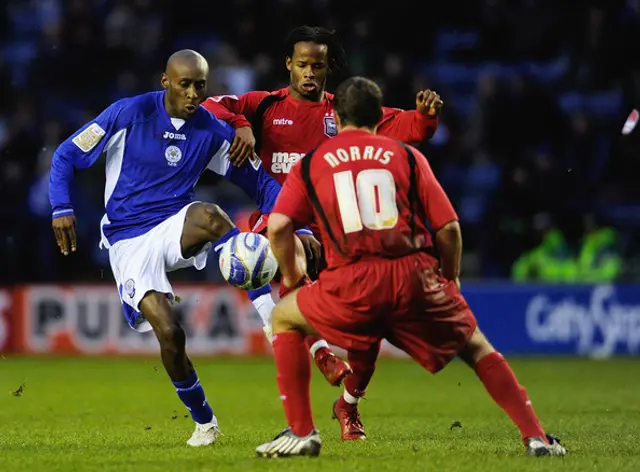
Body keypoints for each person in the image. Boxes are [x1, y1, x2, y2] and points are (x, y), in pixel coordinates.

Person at [255, 77, 567, 458]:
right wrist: (448, 279)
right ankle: (535, 436)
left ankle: (302, 431)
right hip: (413, 277)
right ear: (378, 116)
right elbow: (449, 228)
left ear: (335, 117)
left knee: (285, 317)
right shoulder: (405, 156)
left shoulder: (312, 163)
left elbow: (278, 226)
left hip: (350, 282)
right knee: (476, 348)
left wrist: (292, 278)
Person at [203, 26, 444, 440]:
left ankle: (348, 404)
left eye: (318, 65)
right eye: (302, 65)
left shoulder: (345, 114)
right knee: (275, 252)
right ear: (288, 66)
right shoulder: (263, 106)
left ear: (329, 67)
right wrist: (242, 123)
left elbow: (409, 130)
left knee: (368, 332)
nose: (309, 73)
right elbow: (210, 104)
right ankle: (318, 359)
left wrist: (425, 116)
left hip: (340, 231)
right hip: (281, 222)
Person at [49, 50, 283, 447]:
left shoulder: (212, 131)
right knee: (171, 334)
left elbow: (264, 186)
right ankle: (205, 421)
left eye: (200, 86)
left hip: (175, 225)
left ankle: (270, 317)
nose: (193, 94)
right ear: (165, 82)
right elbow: (66, 155)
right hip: (127, 239)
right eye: (184, 84)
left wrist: (292, 221)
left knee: (211, 214)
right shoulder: (128, 113)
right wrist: (61, 207)